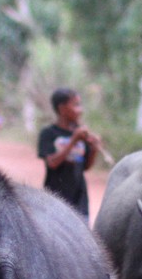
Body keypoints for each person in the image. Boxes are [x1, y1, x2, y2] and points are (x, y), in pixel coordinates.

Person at [38, 87, 102, 220]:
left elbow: (85, 167)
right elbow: (52, 163)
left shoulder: (81, 134)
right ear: (62, 108)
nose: (80, 110)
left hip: (79, 201)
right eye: (76, 105)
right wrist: (73, 140)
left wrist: (94, 149)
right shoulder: (49, 133)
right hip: (54, 200)